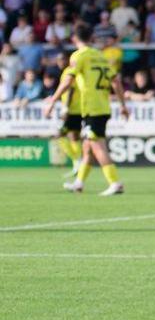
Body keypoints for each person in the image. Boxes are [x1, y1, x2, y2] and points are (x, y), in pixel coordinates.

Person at [44, 24, 129, 195]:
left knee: (97, 146)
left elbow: (68, 81)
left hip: (92, 108)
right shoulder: (101, 56)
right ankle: (79, 183)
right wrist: (122, 105)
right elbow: (116, 81)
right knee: (87, 148)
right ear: (91, 37)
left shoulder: (79, 56)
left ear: (74, 38)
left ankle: (115, 182)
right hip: (102, 106)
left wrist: (52, 101)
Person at [55, 57, 84, 178]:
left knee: (60, 135)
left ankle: (77, 161)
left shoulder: (68, 71)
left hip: (72, 109)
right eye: (58, 60)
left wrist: (65, 107)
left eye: (61, 59)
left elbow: (70, 89)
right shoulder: (71, 71)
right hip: (78, 108)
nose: (59, 62)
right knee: (74, 137)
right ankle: (77, 164)